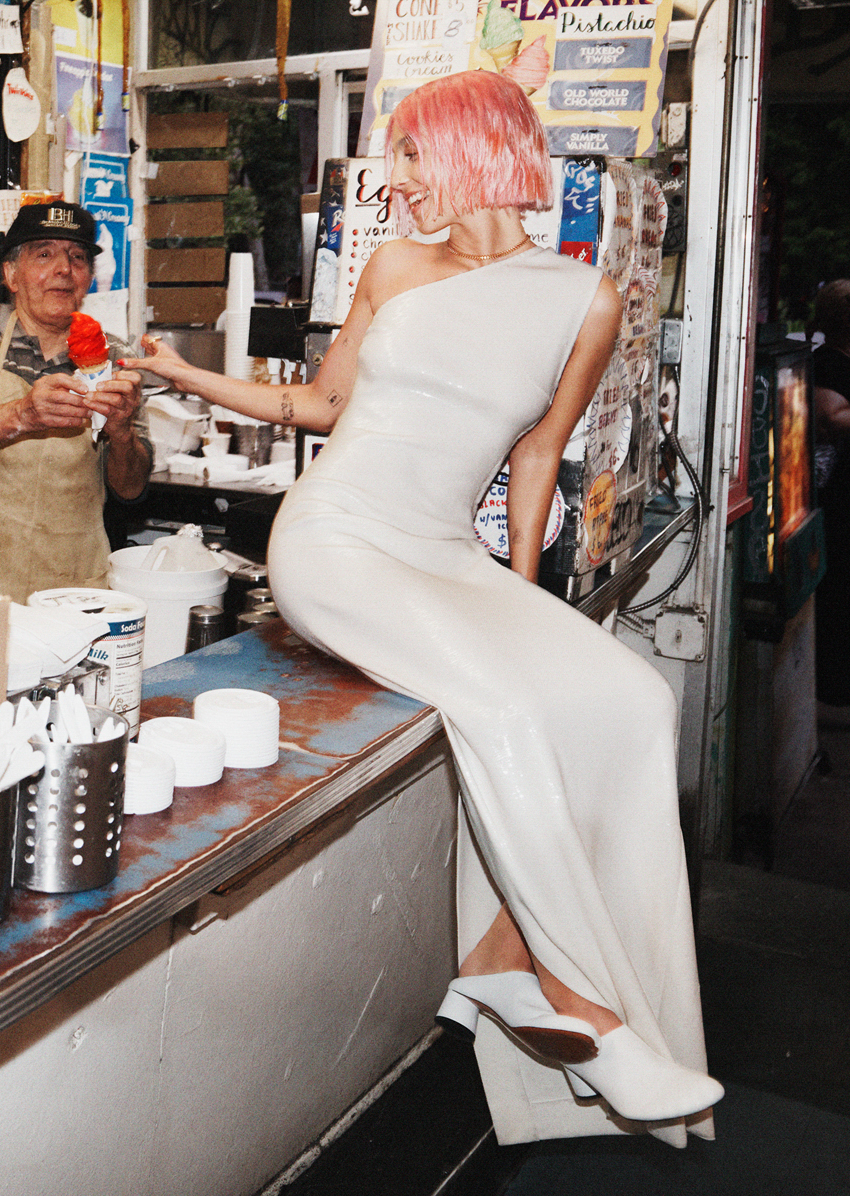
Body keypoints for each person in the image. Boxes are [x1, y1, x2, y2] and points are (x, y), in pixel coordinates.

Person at [123, 71, 723, 1144]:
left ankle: (495, 953)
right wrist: (177, 370)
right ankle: (578, 999)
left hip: (448, 555)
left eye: (409, 156)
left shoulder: (585, 298)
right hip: (333, 539)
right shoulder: (393, 266)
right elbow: (313, 404)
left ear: (477, 150)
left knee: (629, 696)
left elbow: (536, 454)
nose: (392, 184)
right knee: (497, 706)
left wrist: (522, 603)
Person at [0, 201, 151, 603]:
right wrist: (21, 415)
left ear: (89, 277)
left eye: (77, 257)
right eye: (44, 254)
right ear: (11, 274)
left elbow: (131, 489)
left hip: (72, 588)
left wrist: (122, 432)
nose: (64, 269)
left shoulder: (113, 356)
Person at [808, 280, 850, 708]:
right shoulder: (826, 364)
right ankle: (834, 684)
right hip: (834, 499)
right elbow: (832, 418)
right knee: (838, 587)